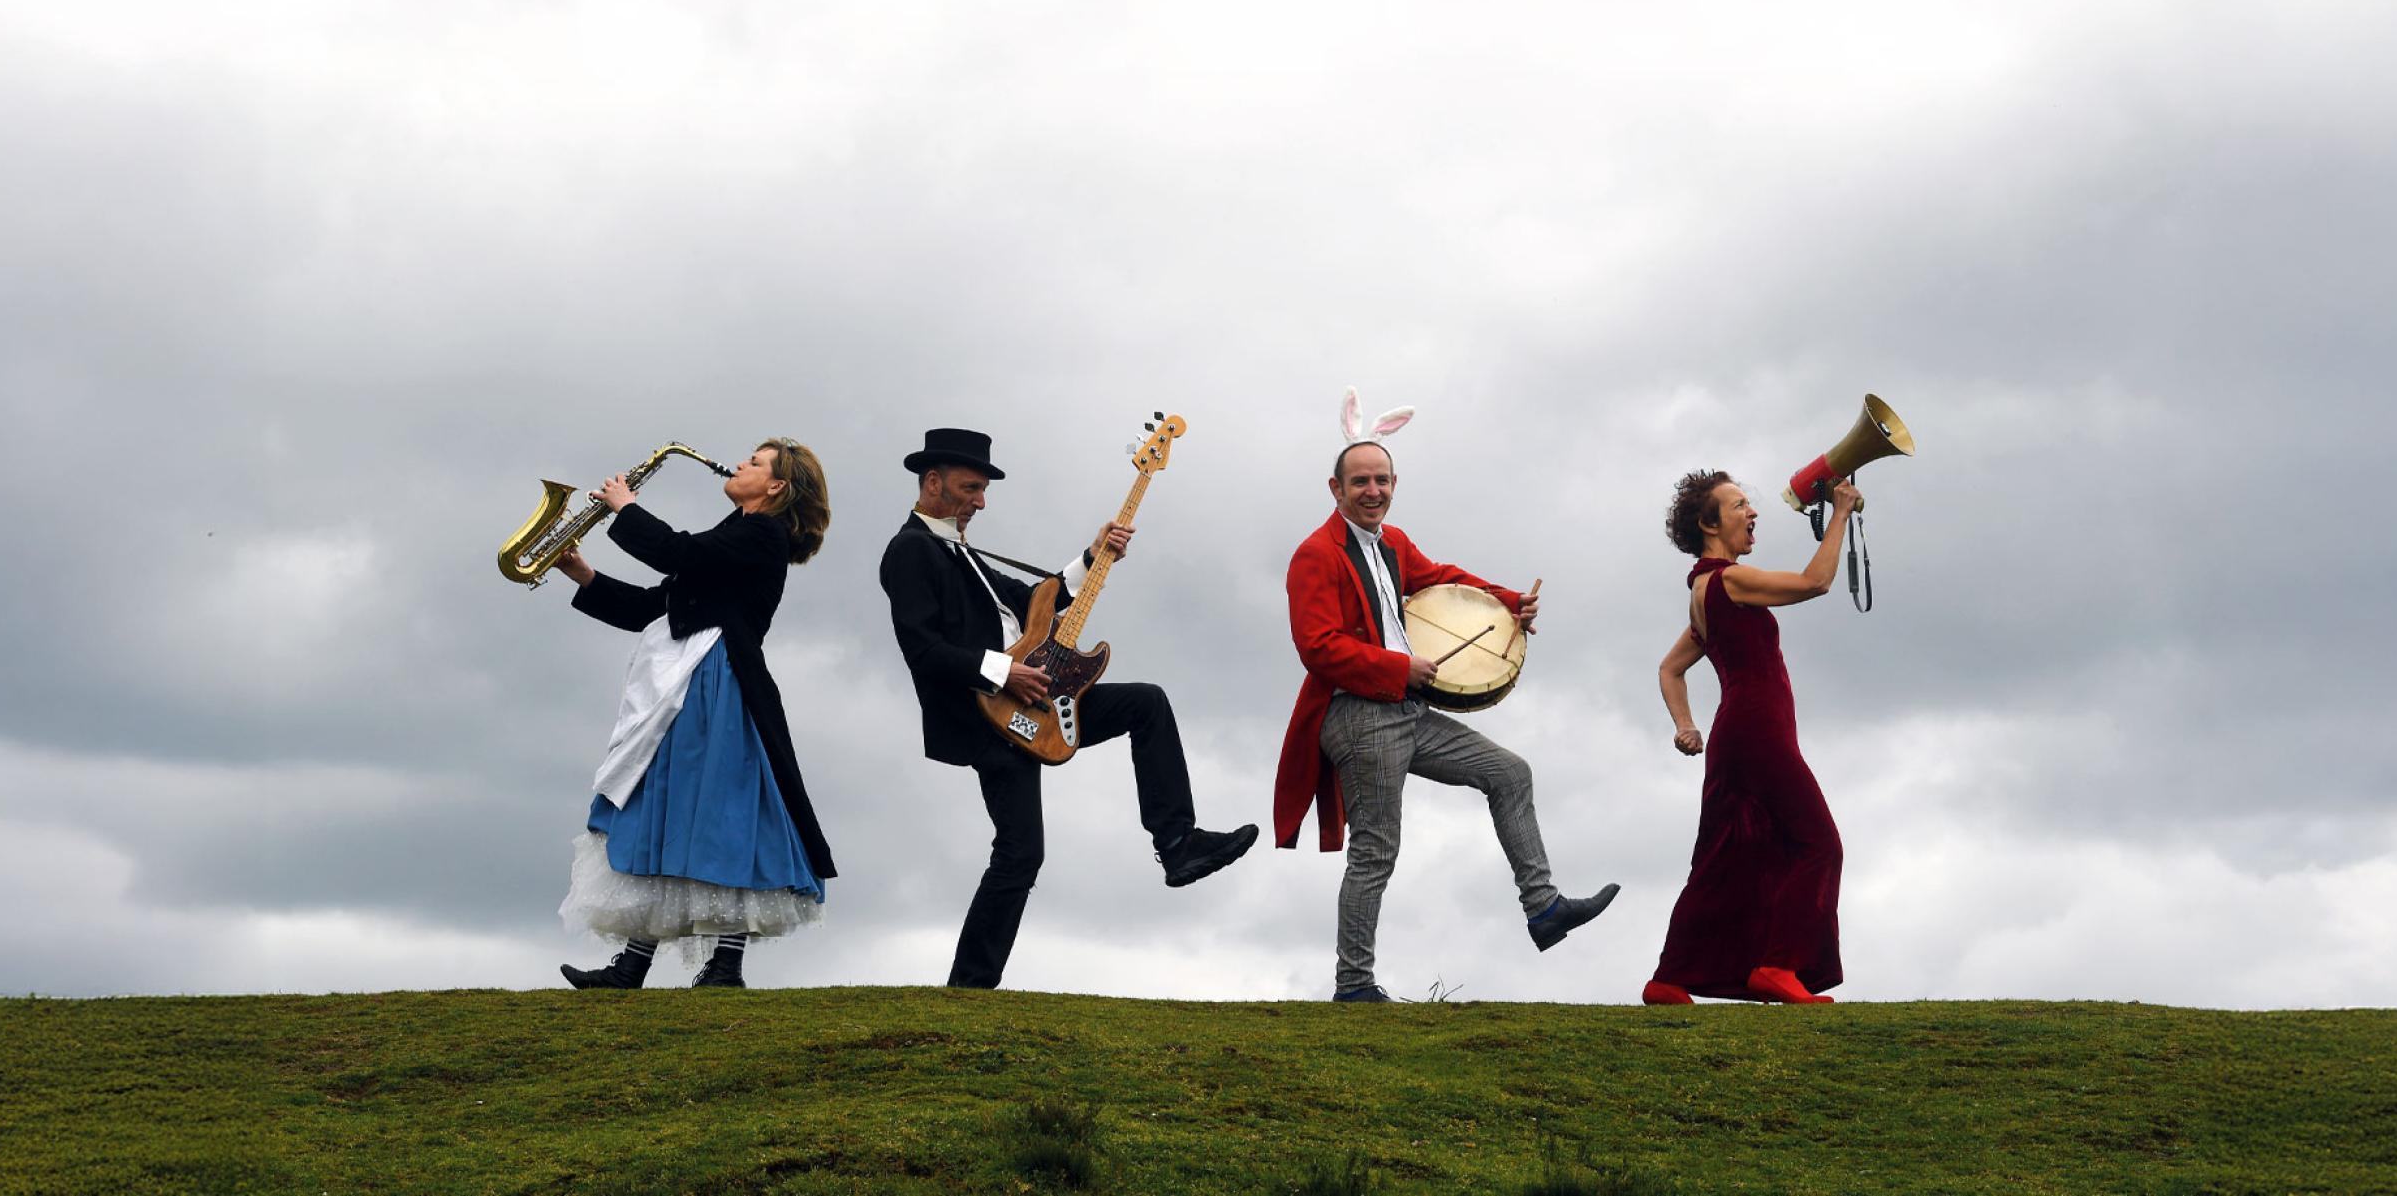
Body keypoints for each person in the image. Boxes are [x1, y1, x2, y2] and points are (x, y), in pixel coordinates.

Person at [877, 427, 1258, 989]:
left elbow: (1037, 603)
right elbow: (922, 648)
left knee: (1146, 704)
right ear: (932, 483)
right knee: (1020, 853)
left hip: (1032, 697)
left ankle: (1177, 844)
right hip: (986, 714)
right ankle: (969, 987)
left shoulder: (959, 549)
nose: (981, 501)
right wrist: (1005, 670)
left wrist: (1094, 554)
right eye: (971, 488)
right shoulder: (910, 550)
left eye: (983, 490)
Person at [1275, 431, 1619, 1004]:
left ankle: (1545, 909)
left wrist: (1507, 599)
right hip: (1360, 715)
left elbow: (1442, 580)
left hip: (1406, 711)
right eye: (1359, 481)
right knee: (1376, 850)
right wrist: (1396, 667)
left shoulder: (1393, 543)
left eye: (1381, 480)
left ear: (1394, 486)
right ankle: (1353, 985)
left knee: (1510, 773)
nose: (1372, 490)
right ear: (1335, 489)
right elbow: (1316, 645)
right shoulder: (1315, 553)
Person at [549, 439, 836, 990]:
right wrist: (584, 575)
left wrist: (625, 507)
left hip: (720, 687)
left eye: (756, 462)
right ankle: (641, 965)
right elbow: (651, 605)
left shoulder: (761, 534)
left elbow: (679, 554)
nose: (740, 464)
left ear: (776, 487)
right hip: (694, 687)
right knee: (673, 811)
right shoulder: (735, 534)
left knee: (722, 816)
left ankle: (721, 965)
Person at [1645, 470, 1857, 1005]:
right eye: (1739, 505)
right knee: (1819, 844)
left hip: (1733, 736)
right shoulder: (1730, 582)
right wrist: (1841, 514)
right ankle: (1779, 966)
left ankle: (1668, 980)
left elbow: (1670, 669)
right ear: (1708, 523)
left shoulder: (1704, 592)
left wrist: (1687, 726)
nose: (1752, 512)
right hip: (1757, 731)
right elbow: (1816, 583)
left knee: (1722, 858)